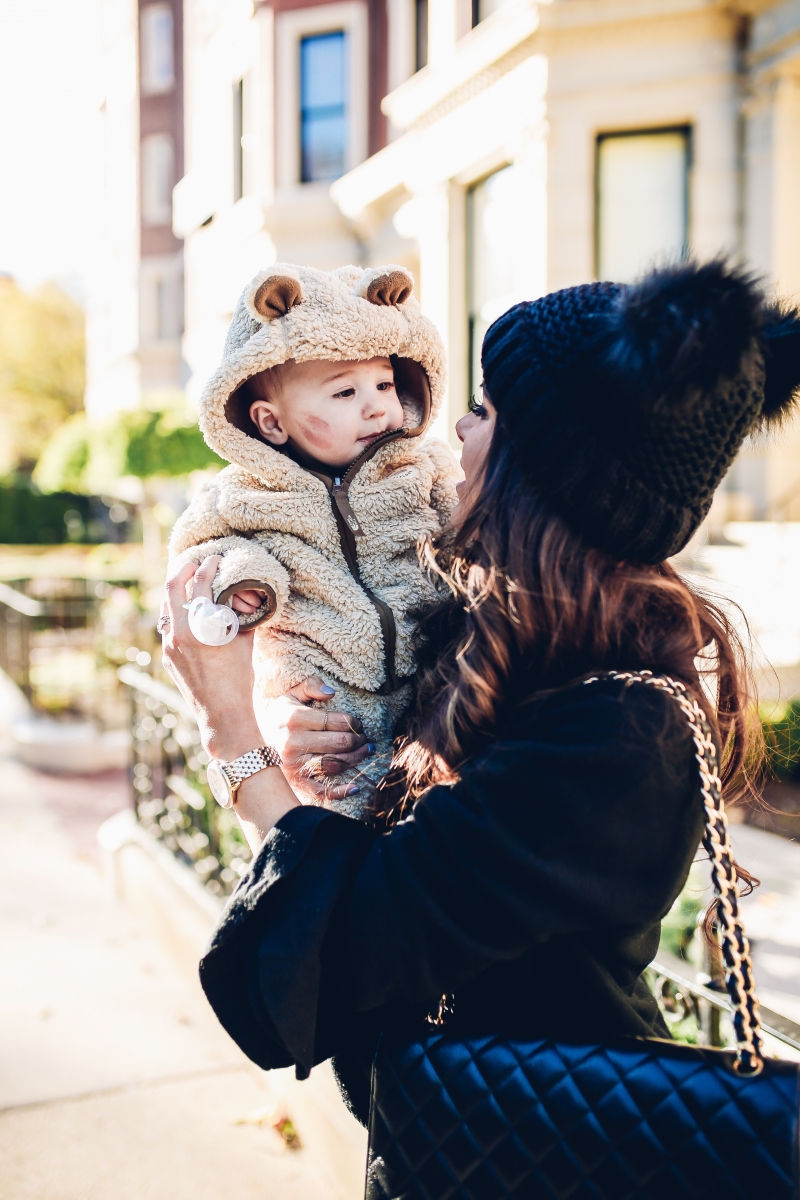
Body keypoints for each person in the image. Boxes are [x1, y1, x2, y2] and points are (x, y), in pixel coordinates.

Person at [159, 260, 800, 1144]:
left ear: (539, 471)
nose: (453, 425)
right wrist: (289, 726)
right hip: (464, 1140)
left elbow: (351, 943)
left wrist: (229, 737)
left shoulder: (616, 735)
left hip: (547, 1153)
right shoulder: (492, 634)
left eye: (486, 411)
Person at [168, 262, 459, 815]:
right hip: (330, 714)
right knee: (339, 818)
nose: (376, 404)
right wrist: (242, 580)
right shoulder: (245, 495)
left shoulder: (423, 471)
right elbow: (204, 549)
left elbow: (469, 527)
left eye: (385, 383)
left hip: (436, 694)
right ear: (272, 423)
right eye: (344, 392)